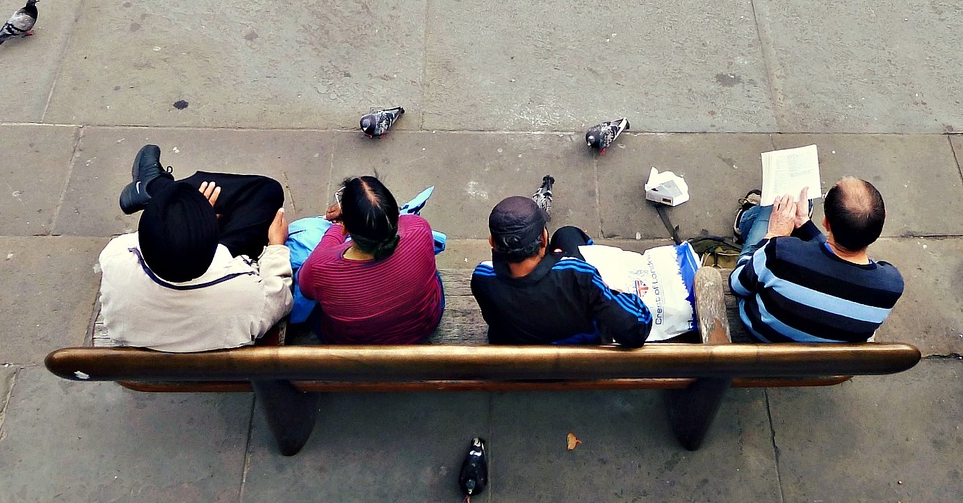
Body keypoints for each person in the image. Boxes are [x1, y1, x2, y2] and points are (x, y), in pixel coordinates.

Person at [98, 144, 294, 352]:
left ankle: (152, 187)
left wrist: (187, 221)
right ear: (213, 243)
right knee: (266, 191)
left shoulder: (117, 256)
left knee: (177, 203)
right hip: (219, 341)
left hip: (140, 351)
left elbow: (151, 237)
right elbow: (279, 296)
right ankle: (154, 186)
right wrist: (276, 247)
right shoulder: (248, 294)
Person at [729, 177, 904, 343]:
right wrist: (805, 224)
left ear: (826, 223)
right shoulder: (891, 285)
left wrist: (774, 235)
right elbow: (838, 262)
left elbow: (737, 284)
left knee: (772, 207)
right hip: (825, 367)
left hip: (761, 336)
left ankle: (746, 218)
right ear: (883, 219)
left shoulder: (780, 253)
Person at [470, 196, 652, 346]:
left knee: (566, 235)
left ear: (492, 242)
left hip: (521, 350)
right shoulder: (579, 274)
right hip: (581, 350)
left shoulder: (482, 277)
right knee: (569, 234)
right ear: (543, 238)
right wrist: (612, 293)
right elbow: (635, 330)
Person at [297, 176, 443, 344]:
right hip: (426, 323)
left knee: (315, 308)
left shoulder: (320, 267)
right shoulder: (419, 227)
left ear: (346, 227)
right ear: (395, 212)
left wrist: (338, 227)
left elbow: (306, 290)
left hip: (357, 344)